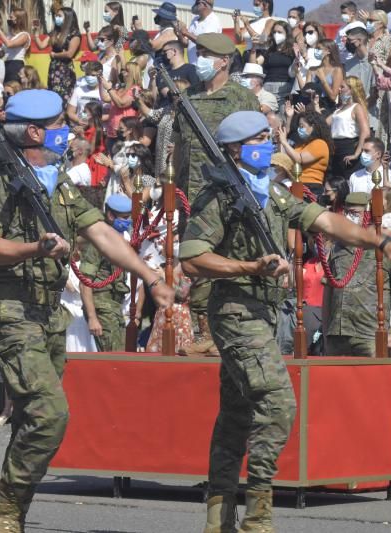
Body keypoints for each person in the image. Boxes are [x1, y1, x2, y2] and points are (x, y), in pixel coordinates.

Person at [179, 110, 391, 532]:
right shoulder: (216, 197)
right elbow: (192, 259)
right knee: (279, 403)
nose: (269, 143)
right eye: (260, 138)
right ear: (235, 148)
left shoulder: (272, 191)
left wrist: (381, 241)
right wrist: (249, 267)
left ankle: (218, 519)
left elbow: (327, 222)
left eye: (269, 136)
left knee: (235, 417)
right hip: (236, 314)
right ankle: (259, 516)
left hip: (265, 314)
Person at [0, 89, 173, 531]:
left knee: (33, 421)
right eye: (61, 123)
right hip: (13, 312)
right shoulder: (0, 180)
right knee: (49, 413)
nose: (71, 131)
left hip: (47, 315)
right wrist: (31, 248)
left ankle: (9, 515)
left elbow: (101, 232)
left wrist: (152, 277)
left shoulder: (56, 182)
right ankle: (2, 511)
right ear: (37, 131)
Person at [171, 33, 259, 356]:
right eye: (200, 52)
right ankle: (203, 333)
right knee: (195, 265)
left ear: (224, 61)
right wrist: (175, 186)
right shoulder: (188, 98)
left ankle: (225, 333)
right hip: (190, 196)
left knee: (225, 261)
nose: (201, 59)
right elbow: (179, 146)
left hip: (227, 196)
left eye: (207, 54)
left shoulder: (241, 98)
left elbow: (254, 145)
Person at [323, 191, 391, 356]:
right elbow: (328, 290)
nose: (351, 218)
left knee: (376, 381)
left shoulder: (386, 247)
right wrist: (325, 332)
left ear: (368, 213)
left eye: (356, 213)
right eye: (347, 212)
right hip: (337, 334)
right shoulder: (338, 247)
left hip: (370, 335)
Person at [79, 194, 132, 351]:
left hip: (114, 306)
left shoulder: (117, 238)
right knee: (113, 358)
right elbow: (85, 282)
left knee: (118, 356)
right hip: (102, 307)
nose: (127, 221)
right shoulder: (97, 242)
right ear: (110, 215)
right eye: (124, 217)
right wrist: (93, 317)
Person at [325, 76, 371, 179]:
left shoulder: (356, 107)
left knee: (349, 179)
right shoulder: (338, 109)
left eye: (342, 87)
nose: (339, 89)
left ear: (351, 90)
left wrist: (356, 153)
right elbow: (324, 124)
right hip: (335, 148)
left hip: (348, 147)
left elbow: (365, 131)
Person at [33, 6, 81, 104]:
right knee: (53, 95)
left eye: (59, 16)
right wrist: (36, 33)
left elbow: (70, 54)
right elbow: (41, 46)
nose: (56, 18)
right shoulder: (55, 32)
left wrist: (55, 55)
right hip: (54, 68)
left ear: (68, 18)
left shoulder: (74, 34)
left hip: (65, 70)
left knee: (64, 97)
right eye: (56, 16)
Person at [278, 108, 332, 195]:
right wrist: (280, 141)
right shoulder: (300, 145)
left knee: (304, 208)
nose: (299, 129)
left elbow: (299, 159)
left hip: (311, 186)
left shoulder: (320, 143)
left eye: (302, 126)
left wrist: (284, 142)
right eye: (299, 126)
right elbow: (283, 160)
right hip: (296, 184)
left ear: (313, 126)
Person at [250, 20, 295, 110]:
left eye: (279, 32)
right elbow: (254, 65)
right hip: (267, 88)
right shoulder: (269, 51)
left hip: (285, 89)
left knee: (283, 118)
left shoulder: (292, 51)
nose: (276, 34)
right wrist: (254, 48)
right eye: (274, 32)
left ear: (287, 34)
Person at [175, 0, 223, 65]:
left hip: (206, 67)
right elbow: (186, 44)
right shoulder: (195, 19)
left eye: (197, 3)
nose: (195, 5)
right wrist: (179, 33)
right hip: (192, 65)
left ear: (205, 5)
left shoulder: (213, 20)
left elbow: (205, 42)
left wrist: (186, 32)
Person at [155, 40, 199, 109]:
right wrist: (152, 79)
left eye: (164, 52)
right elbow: (154, 97)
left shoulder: (192, 70)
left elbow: (197, 94)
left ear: (174, 51)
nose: (162, 55)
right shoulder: (161, 73)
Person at [0, 8, 31, 83]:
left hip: (16, 65)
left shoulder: (24, 35)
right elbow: (3, 52)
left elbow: (9, 44)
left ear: (18, 20)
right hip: (6, 64)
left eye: (11, 17)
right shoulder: (9, 36)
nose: (9, 19)